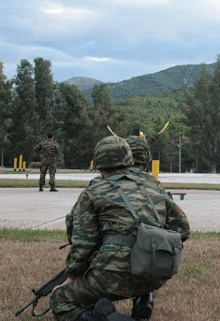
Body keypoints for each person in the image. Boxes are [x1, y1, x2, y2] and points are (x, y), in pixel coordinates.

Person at [50, 136, 190, 320]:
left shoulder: (93, 192)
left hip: (114, 276)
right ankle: (143, 300)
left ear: (99, 165)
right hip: (157, 274)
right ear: (129, 160)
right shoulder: (153, 187)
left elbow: (83, 244)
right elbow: (183, 229)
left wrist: (72, 276)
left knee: (61, 301)